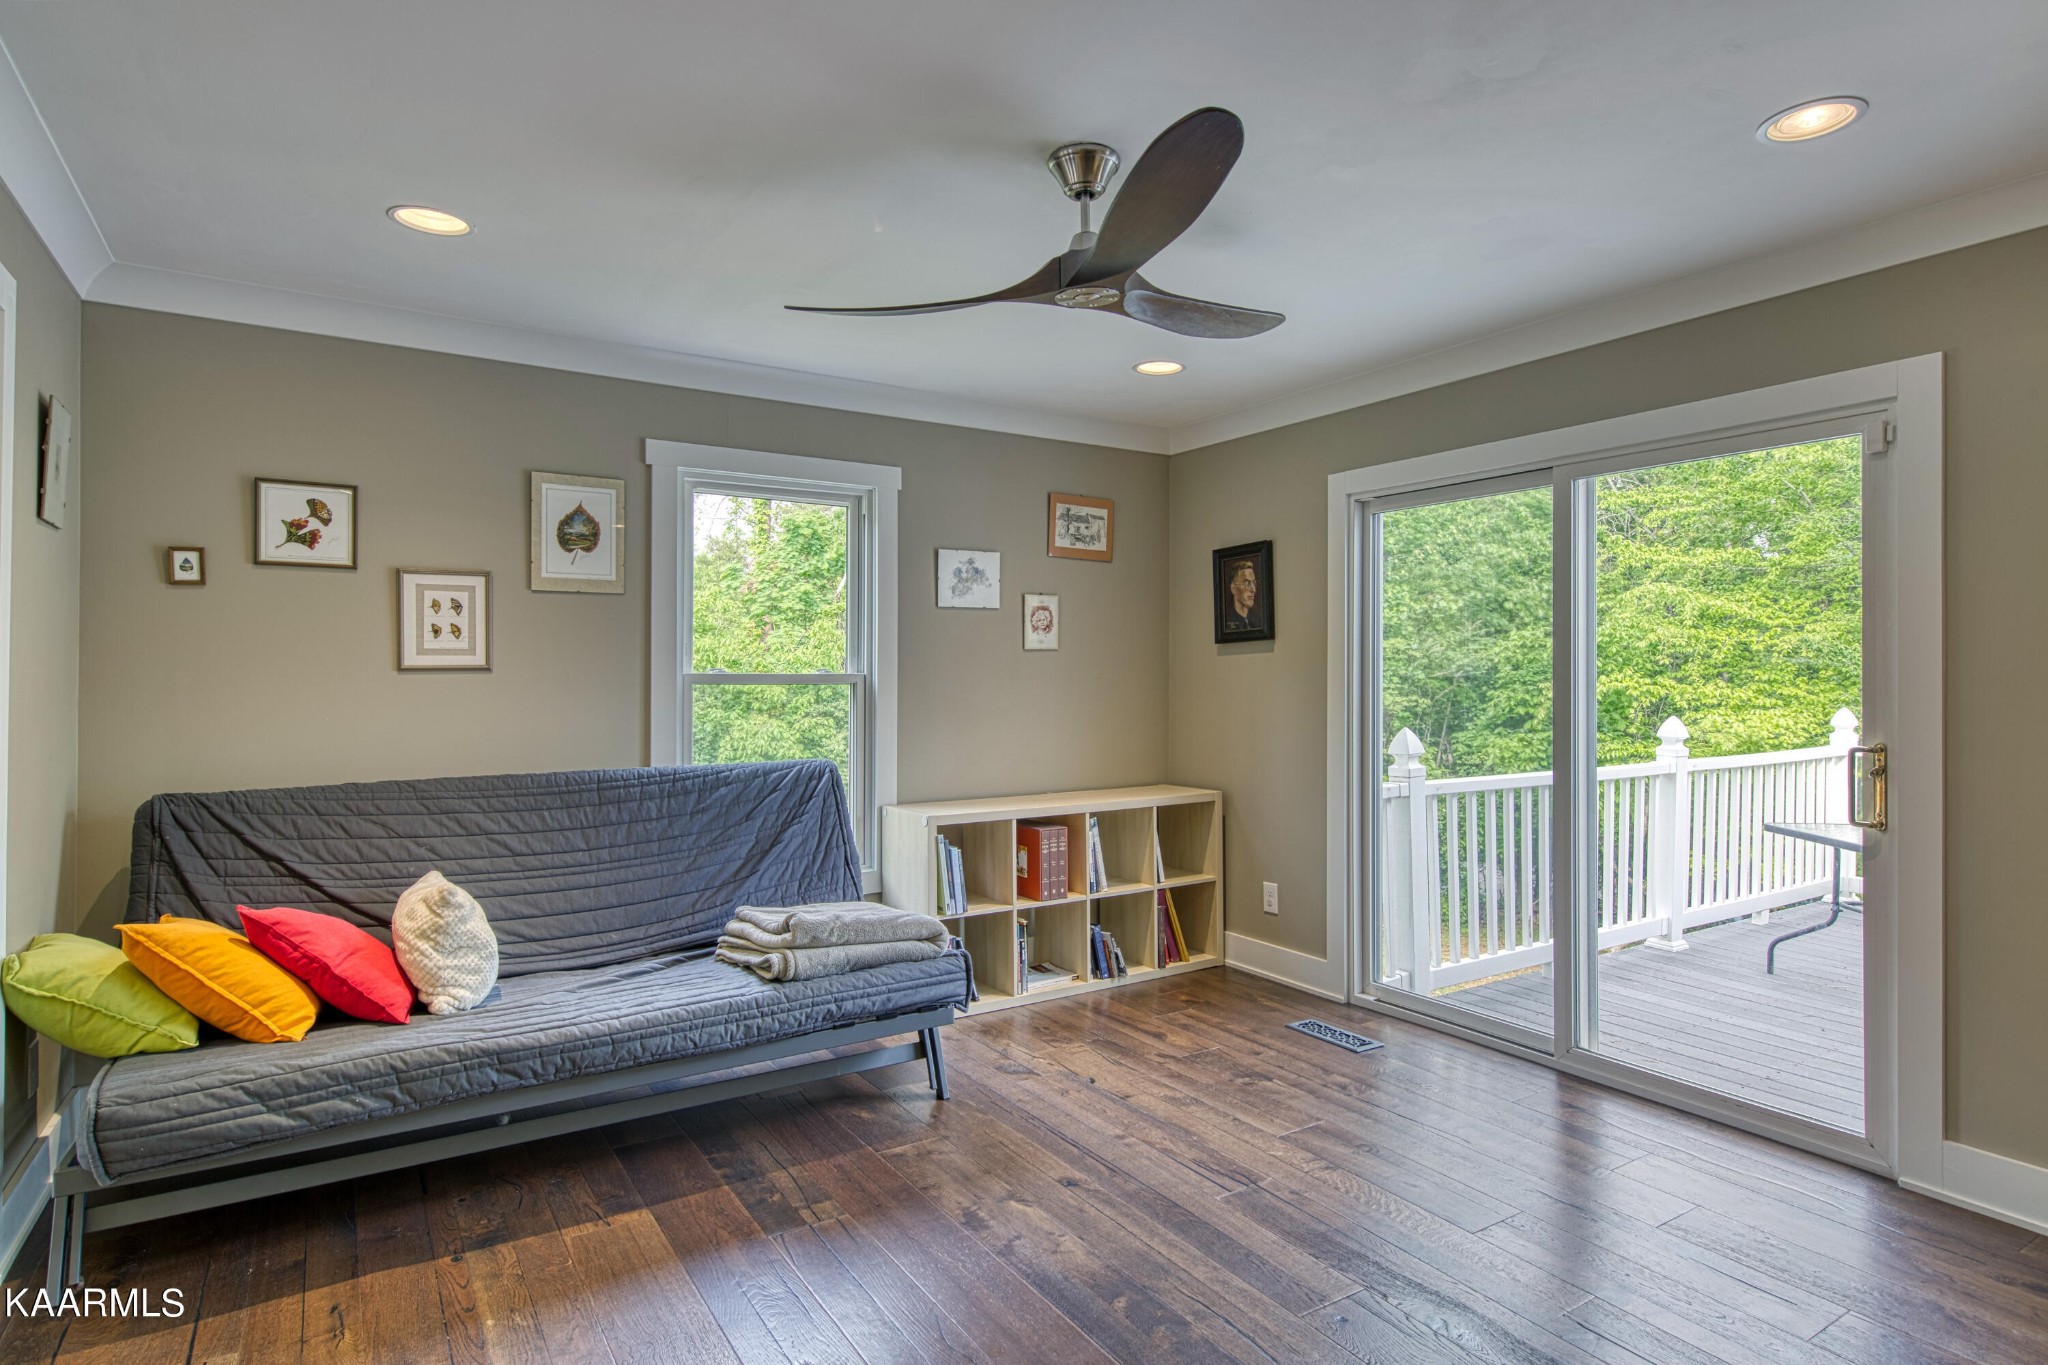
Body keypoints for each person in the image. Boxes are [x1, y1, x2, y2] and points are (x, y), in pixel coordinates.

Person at [1223, 558, 1262, 632]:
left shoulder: (1259, 621)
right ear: (1233, 588)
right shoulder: (1226, 622)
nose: (1253, 590)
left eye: (1254, 583)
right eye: (1247, 583)